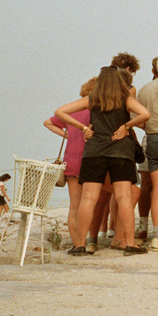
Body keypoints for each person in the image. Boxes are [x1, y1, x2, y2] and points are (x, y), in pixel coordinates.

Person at [58, 66, 150, 254]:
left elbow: (60, 111)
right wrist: (126, 125)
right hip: (120, 152)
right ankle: (130, 243)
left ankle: (80, 244)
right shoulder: (125, 100)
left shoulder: (92, 99)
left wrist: (83, 128)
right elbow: (145, 114)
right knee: (124, 196)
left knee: (88, 198)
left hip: (94, 152)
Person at [44, 83, 92, 250]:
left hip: (71, 158)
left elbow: (48, 122)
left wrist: (68, 135)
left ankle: (78, 244)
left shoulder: (72, 110)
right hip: (89, 159)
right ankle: (89, 239)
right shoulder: (94, 111)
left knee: (74, 205)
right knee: (90, 202)